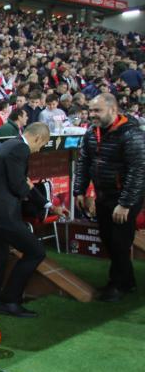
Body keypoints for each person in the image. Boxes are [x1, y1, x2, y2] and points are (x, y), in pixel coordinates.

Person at [0, 123, 67, 317]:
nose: (39, 150)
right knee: (36, 251)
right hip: (1, 215)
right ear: (37, 138)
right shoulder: (20, 149)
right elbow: (19, 185)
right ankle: (10, 300)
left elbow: (22, 182)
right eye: (42, 145)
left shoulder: (10, 144)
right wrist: (36, 198)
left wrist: (47, 205)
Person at [74, 94, 145, 302]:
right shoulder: (91, 133)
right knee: (108, 238)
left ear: (113, 110)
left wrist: (125, 204)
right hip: (103, 196)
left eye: (97, 111)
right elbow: (84, 162)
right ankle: (127, 281)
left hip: (123, 198)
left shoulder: (131, 134)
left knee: (119, 241)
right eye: (91, 110)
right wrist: (79, 191)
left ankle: (119, 284)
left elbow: (138, 170)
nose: (92, 114)